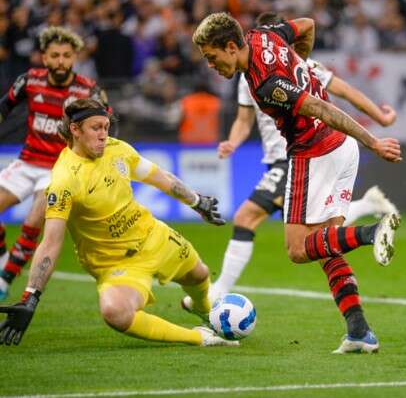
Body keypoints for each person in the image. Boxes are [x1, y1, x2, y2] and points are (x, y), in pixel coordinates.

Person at [191, 12, 402, 354]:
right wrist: (299, 63)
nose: (211, 66)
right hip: (341, 150)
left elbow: (319, 108)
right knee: (326, 246)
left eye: (212, 58)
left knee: (298, 249)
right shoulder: (264, 35)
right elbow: (307, 24)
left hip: (314, 152)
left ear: (231, 47)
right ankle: (359, 331)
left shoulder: (264, 83)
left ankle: (371, 232)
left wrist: (373, 141)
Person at [0, 98, 236, 347]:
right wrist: (30, 297)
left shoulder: (118, 150)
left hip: (152, 236)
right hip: (114, 263)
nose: (103, 135)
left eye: (106, 127)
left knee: (198, 275)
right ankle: (199, 337)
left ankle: (205, 311)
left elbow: (160, 177)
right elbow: (50, 243)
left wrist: (197, 201)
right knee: (115, 313)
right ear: (75, 130)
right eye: (96, 128)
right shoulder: (64, 180)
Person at [0, 26, 109, 301]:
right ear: (45, 58)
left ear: (74, 57)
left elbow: (108, 126)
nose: (61, 61)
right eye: (55, 55)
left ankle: (3, 281)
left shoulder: (88, 90)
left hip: (59, 169)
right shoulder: (29, 81)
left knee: (33, 221)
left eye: (66, 55)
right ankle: (4, 256)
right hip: (26, 162)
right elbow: (4, 108)